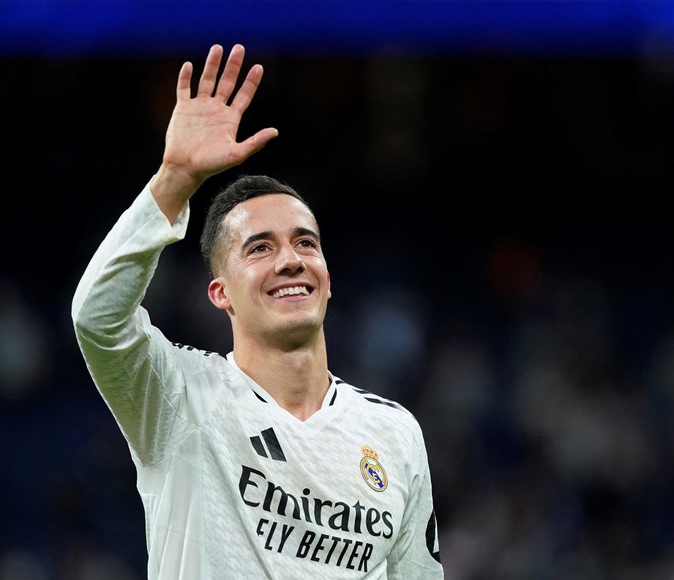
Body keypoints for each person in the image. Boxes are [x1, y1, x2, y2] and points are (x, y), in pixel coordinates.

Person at [72, 43, 444, 579]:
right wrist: (175, 178)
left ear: (328, 279)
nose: (290, 261)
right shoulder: (180, 397)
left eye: (305, 244)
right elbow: (96, 319)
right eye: (260, 248)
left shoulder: (395, 433)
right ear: (220, 292)